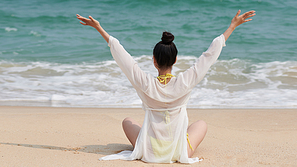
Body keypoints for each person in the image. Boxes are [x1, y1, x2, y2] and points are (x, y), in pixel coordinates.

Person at [76, 10, 255, 163]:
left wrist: (99, 28)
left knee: (127, 121)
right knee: (201, 124)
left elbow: (123, 57)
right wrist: (231, 27)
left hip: (149, 152)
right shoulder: (185, 81)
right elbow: (209, 56)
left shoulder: (145, 83)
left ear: (154, 61)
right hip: (178, 152)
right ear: (175, 60)